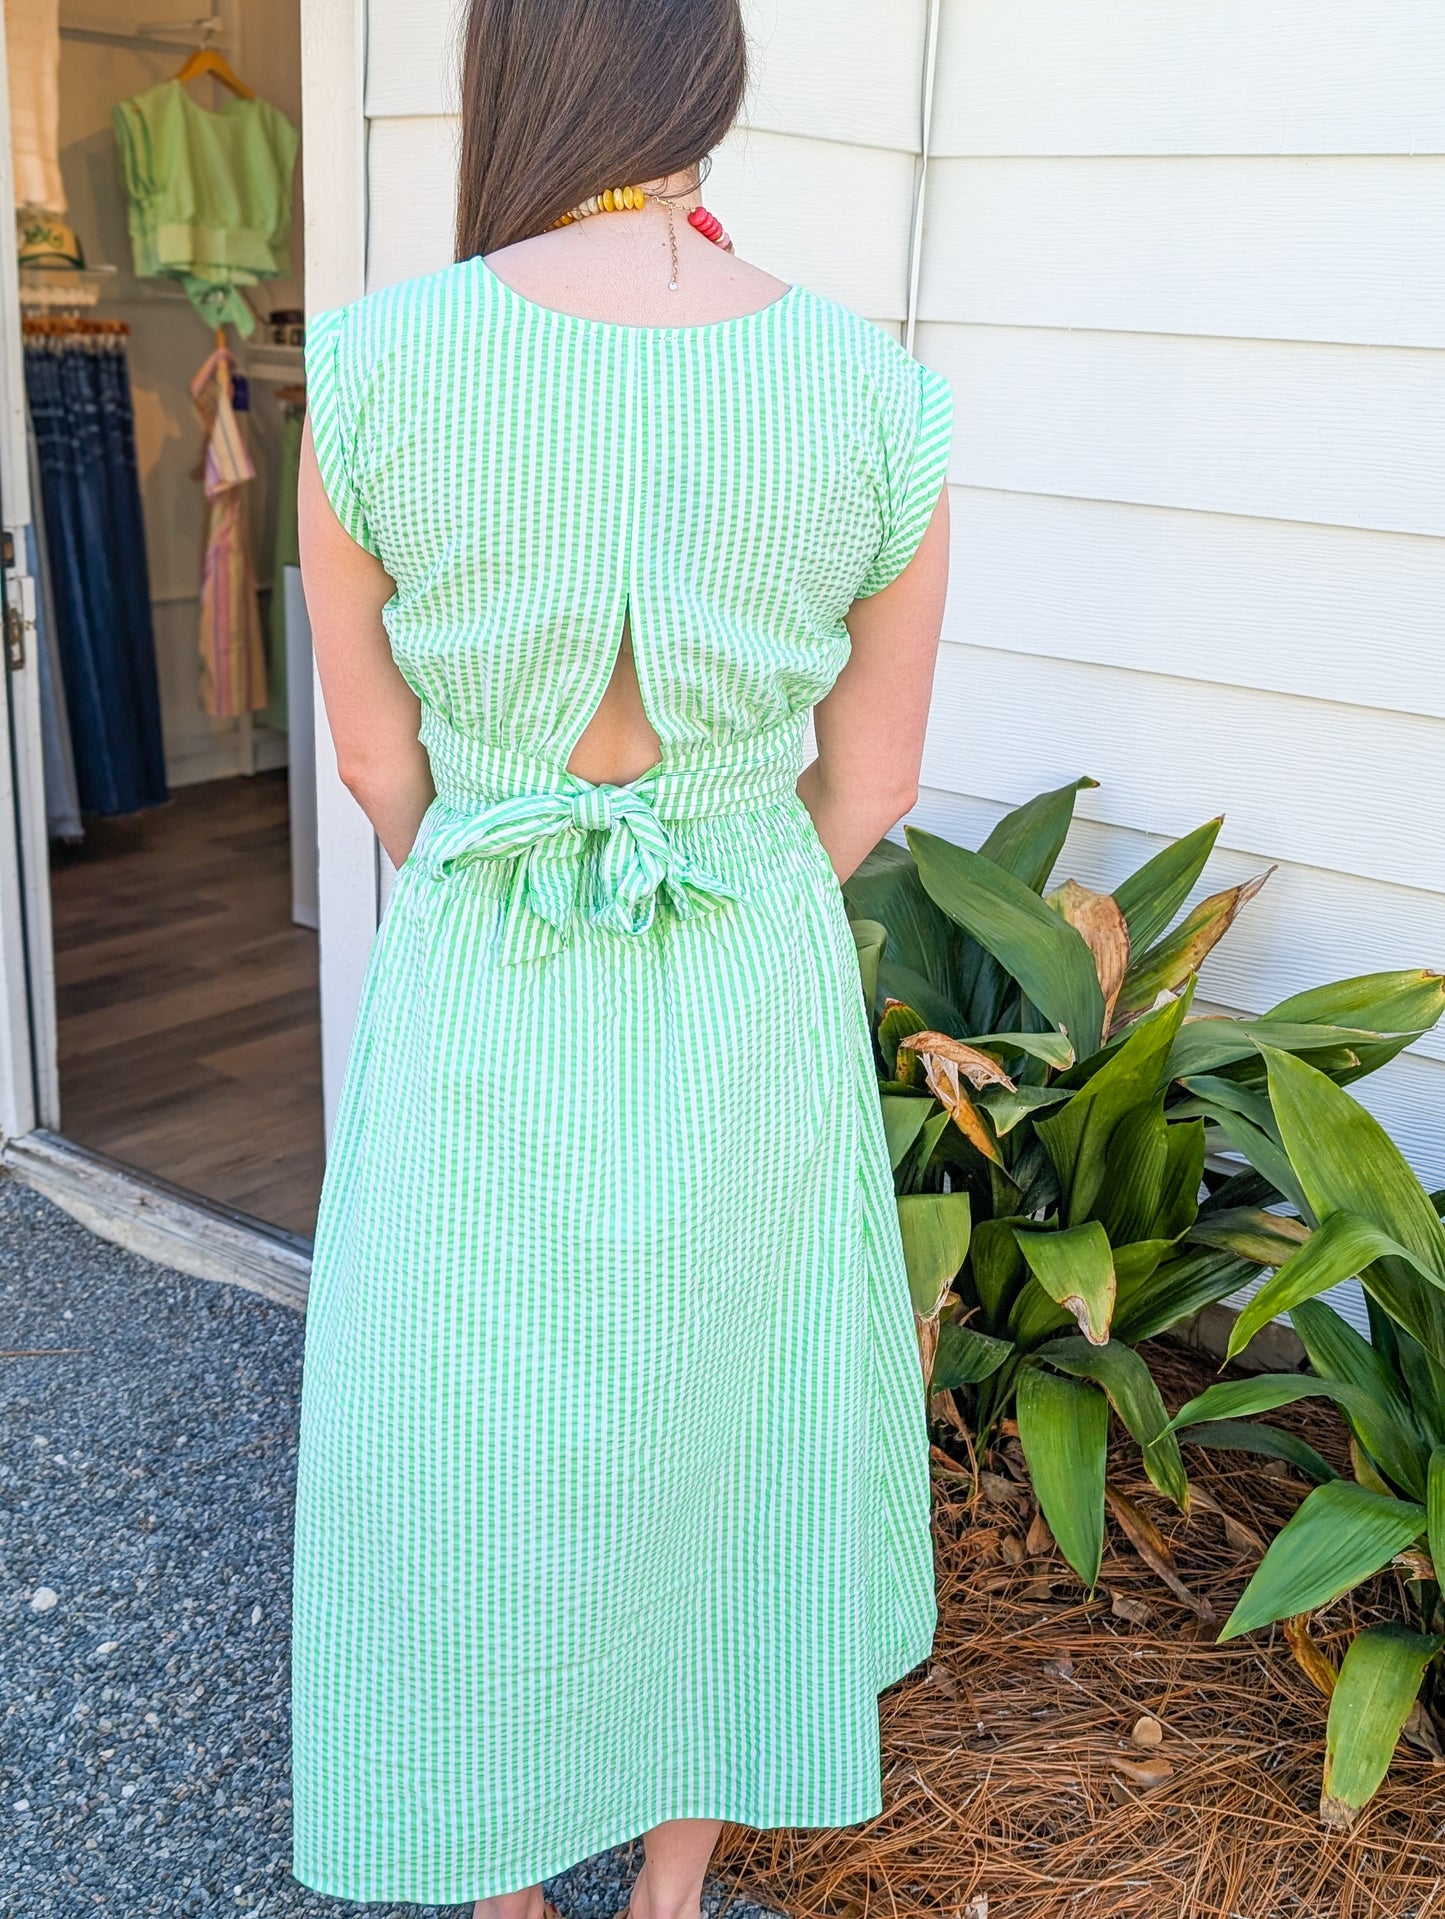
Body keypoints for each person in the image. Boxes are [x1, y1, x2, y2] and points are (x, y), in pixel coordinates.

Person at [290, 2, 953, 1915]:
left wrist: (487, 877)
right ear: (708, 89)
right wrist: (732, 871)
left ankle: (500, 1885)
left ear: (521, 78)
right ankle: (670, 1891)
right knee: (728, 1400)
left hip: (486, 945)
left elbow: (367, 752)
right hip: (747, 960)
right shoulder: (869, 389)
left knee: (468, 1417)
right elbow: (882, 770)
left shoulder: (379, 365)